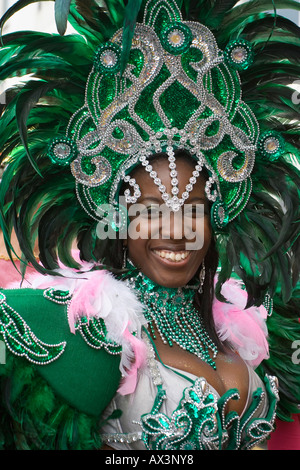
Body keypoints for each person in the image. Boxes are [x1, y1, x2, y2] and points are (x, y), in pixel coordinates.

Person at [0, 0, 299, 451]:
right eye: (151, 209)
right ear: (117, 219)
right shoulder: (91, 329)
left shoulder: (242, 325)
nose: (175, 230)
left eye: (193, 210)